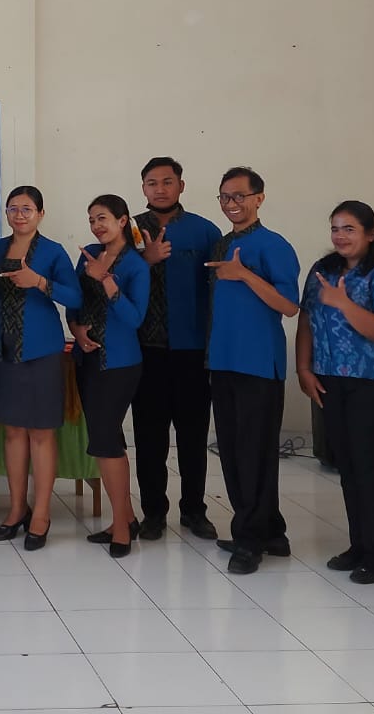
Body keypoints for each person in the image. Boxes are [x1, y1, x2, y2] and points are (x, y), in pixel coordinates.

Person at [295, 201, 374, 585]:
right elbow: (307, 319)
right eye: (335, 228)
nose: (340, 236)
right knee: (346, 465)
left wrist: (344, 304)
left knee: (372, 468)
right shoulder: (322, 271)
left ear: (370, 234)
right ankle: (358, 544)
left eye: (349, 229)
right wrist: (304, 367)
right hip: (330, 378)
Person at [203, 166, 301, 575]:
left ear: (259, 198)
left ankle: (249, 539)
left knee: (254, 453)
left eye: (239, 196)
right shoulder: (222, 243)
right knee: (231, 449)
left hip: (258, 363)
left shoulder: (273, 245)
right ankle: (271, 531)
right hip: (223, 360)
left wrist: (244, 274)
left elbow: (289, 305)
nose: (232, 204)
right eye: (225, 197)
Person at [0, 185, 80, 551]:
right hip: (3, 352)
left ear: (40, 214)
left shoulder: (52, 251)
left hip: (42, 350)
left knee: (41, 434)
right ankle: (17, 508)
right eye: (13, 209)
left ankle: (42, 513)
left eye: (27, 209)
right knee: (14, 433)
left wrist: (40, 282)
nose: (19, 215)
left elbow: (75, 296)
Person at [131, 157, 221, 542]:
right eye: (152, 183)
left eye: (167, 181)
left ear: (181, 185)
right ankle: (153, 513)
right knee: (149, 437)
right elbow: (116, 278)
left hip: (192, 350)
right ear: (143, 188)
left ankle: (194, 510)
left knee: (192, 436)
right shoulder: (130, 229)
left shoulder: (205, 231)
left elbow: (218, 291)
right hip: (145, 350)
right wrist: (144, 259)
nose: (160, 189)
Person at [67, 195, 149, 558]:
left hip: (119, 363)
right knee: (108, 438)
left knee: (105, 442)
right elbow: (74, 302)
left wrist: (107, 282)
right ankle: (126, 518)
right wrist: (77, 329)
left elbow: (135, 319)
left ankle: (121, 528)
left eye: (102, 218)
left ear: (122, 220)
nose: (96, 225)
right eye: (91, 219)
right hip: (87, 359)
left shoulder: (135, 265)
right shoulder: (88, 256)